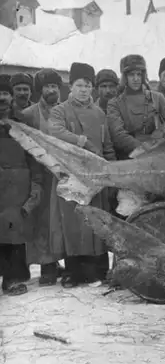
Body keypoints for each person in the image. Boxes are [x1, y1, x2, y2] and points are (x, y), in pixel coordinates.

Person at [47, 62, 116, 287]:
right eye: (79, 85)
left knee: (95, 223)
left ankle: (98, 270)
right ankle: (73, 273)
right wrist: (81, 141)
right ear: (70, 86)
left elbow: (106, 145)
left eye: (88, 85)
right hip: (70, 177)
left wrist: (112, 168)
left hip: (94, 178)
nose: (84, 90)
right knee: (73, 225)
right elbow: (53, 130)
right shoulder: (60, 110)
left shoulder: (99, 113)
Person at [21, 68, 66, 285]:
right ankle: (47, 267)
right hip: (39, 175)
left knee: (60, 222)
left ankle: (61, 262)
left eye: (55, 86)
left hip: (61, 175)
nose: (52, 90)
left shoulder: (64, 111)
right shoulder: (29, 114)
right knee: (41, 222)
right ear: (40, 90)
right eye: (48, 86)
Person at [0, 74, 43, 295]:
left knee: (13, 233)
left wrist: (35, 184)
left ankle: (13, 279)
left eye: (5, 93)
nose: (2, 97)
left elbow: (33, 156)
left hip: (17, 187)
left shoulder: (21, 122)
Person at [107, 54, 165, 159]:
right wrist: (143, 148)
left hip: (157, 154)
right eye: (131, 75)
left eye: (139, 74)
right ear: (125, 77)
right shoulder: (115, 103)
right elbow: (118, 135)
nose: (136, 79)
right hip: (128, 158)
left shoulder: (157, 98)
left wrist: (159, 136)